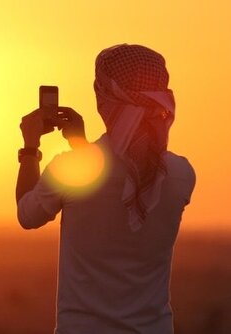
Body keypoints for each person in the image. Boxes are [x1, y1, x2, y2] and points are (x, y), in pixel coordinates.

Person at [15, 43, 196, 334]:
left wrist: (30, 148)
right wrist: (82, 147)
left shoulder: (72, 169)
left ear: (104, 98)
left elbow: (28, 214)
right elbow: (120, 179)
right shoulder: (181, 174)